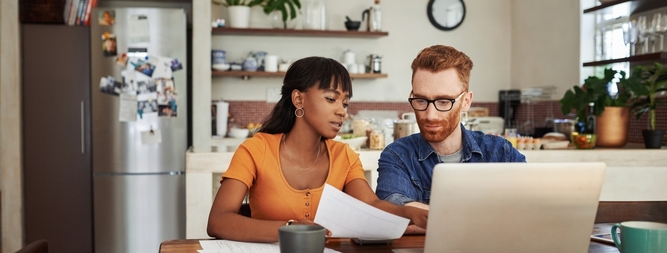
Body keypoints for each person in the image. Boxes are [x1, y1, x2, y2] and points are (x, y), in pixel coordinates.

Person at [206, 56, 428, 243]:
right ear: (298, 99)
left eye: (345, 103)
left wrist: (409, 212)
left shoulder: (345, 156)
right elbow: (218, 221)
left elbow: (371, 205)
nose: (342, 111)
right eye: (331, 99)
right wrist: (290, 229)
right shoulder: (256, 149)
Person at [375, 45, 526, 233]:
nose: (430, 115)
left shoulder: (500, 152)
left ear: (466, 102)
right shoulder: (397, 155)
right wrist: (487, 220)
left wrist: (430, 218)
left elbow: (527, 209)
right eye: (421, 100)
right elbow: (392, 214)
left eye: (444, 102)